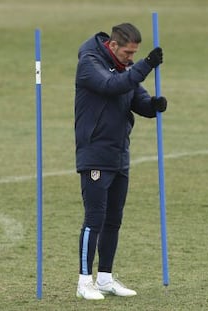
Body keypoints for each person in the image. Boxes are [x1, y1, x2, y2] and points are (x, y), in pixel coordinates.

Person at [74, 23, 167, 300]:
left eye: (135, 53)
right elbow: (110, 86)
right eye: (128, 52)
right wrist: (146, 64)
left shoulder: (125, 69)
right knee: (95, 218)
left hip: (119, 154)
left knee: (114, 219)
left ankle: (104, 278)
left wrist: (155, 105)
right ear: (113, 46)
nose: (131, 57)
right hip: (95, 153)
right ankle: (84, 281)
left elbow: (137, 100)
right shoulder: (90, 64)